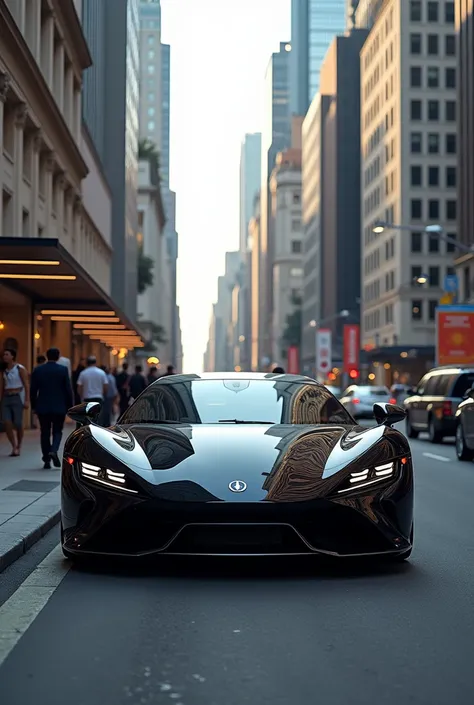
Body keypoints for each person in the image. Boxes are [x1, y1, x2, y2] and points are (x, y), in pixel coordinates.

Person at [30, 347, 73, 469]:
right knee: (57, 431)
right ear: (58, 357)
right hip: (59, 406)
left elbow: (33, 390)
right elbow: (68, 390)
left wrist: (34, 406)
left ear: (47, 356)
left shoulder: (38, 370)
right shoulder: (63, 370)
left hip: (43, 406)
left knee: (44, 432)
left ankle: (46, 460)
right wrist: (70, 406)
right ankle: (54, 450)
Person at [0, 348, 30, 456]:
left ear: (12, 356)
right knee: (6, 422)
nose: (4, 357)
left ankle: (19, 445)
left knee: (18, 423)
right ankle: (13, 445)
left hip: (17, 396)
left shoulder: (19, 368)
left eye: (7, 354)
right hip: (7, 397)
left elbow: (26, 384)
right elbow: (2, 386)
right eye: (4, 355)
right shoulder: (4, 371)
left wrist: (27, 400)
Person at [77, 356, 108, 424]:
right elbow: (105, 386)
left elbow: (79, 388)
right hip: (98, 398)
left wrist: (81, 397)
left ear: (87, 363)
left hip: (87, 399)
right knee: (98, 418)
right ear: (95, 362)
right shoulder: (101, 373)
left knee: (88, 419)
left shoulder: (83, 373)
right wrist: (103, 394)